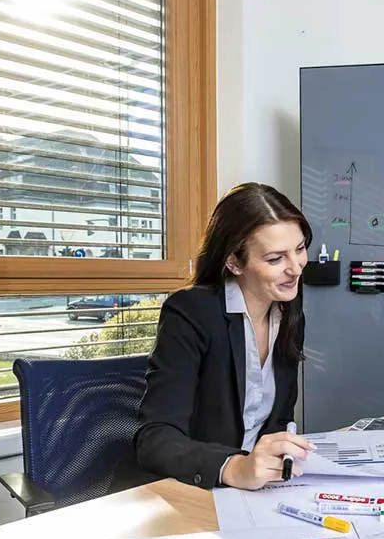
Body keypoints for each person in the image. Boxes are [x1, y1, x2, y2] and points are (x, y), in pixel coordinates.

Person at [135, 182, 316, 489]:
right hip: (195, 490)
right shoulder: (191, 312)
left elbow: (279, 419)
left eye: (299, 249)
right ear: (234, 262)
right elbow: (155, 439)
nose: (296, 268)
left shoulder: (288, 314)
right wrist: (234, 467)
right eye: (275, 259)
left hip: (259, 491)